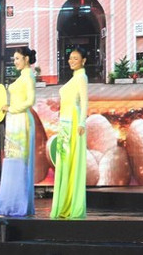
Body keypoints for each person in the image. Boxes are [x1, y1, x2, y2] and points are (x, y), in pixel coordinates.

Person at [0, 46, 37, 217]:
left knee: (20, 162)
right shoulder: (22, 77)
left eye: (18, 58)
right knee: (12, 160)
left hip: (21, 120)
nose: (15, 62)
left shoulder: (29, 76)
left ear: (26, 59)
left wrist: (11, 108)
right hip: (13, 120)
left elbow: (30, 101)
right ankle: (11, 203)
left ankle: (18, 204)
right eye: (14, 59)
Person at [50, 47, 88, 219]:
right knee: (64, 163)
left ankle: (71, 205)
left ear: (84, 61)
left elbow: (85, 102)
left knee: (71, 163)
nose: (72, 61)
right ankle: (63, 204)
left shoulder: (81, 77)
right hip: (64, 123)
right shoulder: (74, 78)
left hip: (73, 123)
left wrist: (81, 123)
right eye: (70, 58)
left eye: (76, 58)